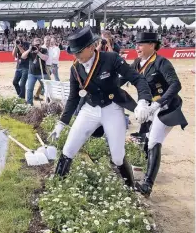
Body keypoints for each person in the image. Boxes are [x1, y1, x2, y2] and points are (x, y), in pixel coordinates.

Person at [48, 26, 152, 187]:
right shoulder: (75, 68)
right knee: (68, 149)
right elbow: (73, 98)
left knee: (117, 157)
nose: (76, 56)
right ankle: (56, 185)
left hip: (112, 108)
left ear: (91, 47)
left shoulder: (111, 58)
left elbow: (137, 79)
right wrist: (61, 123)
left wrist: (143, 101)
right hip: (89, 109)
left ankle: (131, 189)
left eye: (78, 52)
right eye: (73, 53)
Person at [121, 32, 188, 197]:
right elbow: (121, 80)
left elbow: (176, 85)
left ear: (152, 45)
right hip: (148, 109)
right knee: (144, 141)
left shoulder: (161, 62)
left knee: (153, 141)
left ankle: (147, 186)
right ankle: (145, 170)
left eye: (141, 44)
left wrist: (159, 103)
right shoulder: (137, 63)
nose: (137, 47)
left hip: (166, 108)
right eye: (136, 44)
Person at [25, 37, 49, 105]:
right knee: (29, 89)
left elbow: (45, 58)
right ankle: (29, 103)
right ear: (33, 44)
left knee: (46, 88)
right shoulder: (30, 51)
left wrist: (38, 52)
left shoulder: (44, 50)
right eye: (35, 44)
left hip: (42, 73)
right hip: (32, 73)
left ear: (40, 44)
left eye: (38, 44)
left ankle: (48, 103)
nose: (37, 46)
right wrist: (29, 50)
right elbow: (23, 56)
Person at [11, 34, 29, 98]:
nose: (20, 40)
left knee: (22, 84)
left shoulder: (27, 44)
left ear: (24, 38)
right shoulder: (17, 45)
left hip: (26, 67)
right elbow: (13, 55)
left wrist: (19, 47)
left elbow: (25, 55)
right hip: (18, 66)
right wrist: (15, 46)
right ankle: (20, 95)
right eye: (18, 39)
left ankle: (22, 98)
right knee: (15, 82)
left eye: (21, 38)